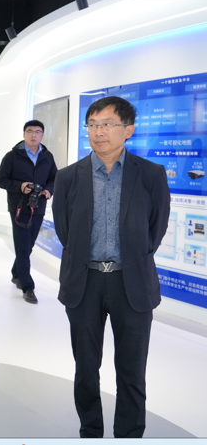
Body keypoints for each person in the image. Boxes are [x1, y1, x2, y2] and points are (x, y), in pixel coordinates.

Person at [52, 96, 170, 438]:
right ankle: (90, 430)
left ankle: (129, 435)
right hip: (84, 282)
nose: (98, 132)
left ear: (128, 130)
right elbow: (65, 230)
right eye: (92, 125)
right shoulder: (68, 177)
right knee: (86, 368)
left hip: (131, 284)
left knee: (132, 370)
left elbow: (155, 229)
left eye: (107, 124)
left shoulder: (150, 174)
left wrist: (131, 257)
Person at [0, 119, 57, 304]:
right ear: (24, 134)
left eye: (37, 132)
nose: (33, 135)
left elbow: (54, 178)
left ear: (42, 135)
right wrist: (20, 186)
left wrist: (49, 190)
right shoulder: (12, 156)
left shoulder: (47, 156)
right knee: (22, 246)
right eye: (30, 131)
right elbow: (1, 180)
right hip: (19, 207)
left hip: (38, 206)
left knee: (28, 245)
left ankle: (16, 273)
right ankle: (28, 286)